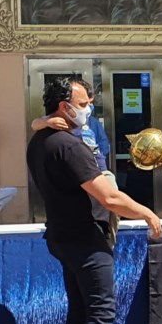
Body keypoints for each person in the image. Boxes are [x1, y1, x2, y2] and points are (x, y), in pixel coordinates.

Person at [27, 77, 162, 324]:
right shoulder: (69, 146)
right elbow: (109, 196)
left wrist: (39, 122)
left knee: (80, 311)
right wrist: (147, 211)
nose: (88, 109)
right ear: (64, 106)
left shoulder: (39, 140)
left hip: (62, 236)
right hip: (87, 239)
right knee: (100, 313)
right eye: (84, 103)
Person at [30, 78, 120, 248]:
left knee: (111, 202)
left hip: (98, 168)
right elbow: (35, 124)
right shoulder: (60, 122)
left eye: (90, 104)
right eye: (84, 104)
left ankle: (109, 240)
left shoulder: (91, 122)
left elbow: (103, 144)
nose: (87, 109)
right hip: (79, 173)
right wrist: (46, 122)